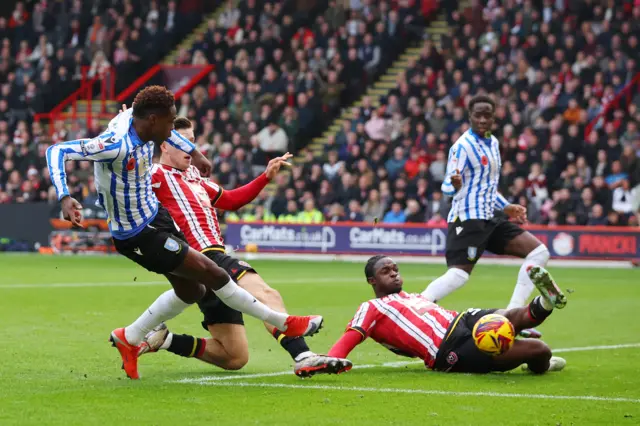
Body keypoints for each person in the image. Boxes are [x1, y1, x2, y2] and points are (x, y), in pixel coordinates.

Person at [45, 86, 323, 380]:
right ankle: (285, 323)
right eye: (170, 121)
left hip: (157, 218)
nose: (172, 128)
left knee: (194, 292)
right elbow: (57, 150)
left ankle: (130, 336)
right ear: (153, 120)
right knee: (215, 275)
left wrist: (195, 153)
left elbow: (228, 197)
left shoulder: (154, 135)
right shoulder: (116, 145)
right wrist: (65, 196)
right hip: (137, 234)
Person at [141, 117, 351, 377]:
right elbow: (128, 186)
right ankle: (303, 355)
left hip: (202, 270)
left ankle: (165, 339)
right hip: (204, 256)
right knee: (267, 294)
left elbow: (230, 200)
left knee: (234, 356)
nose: (192, 149)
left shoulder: (195, 177)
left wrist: (264, 177)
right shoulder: (154, 175)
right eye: (184, 142)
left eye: (193, 142)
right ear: (164, 146)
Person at [423, 94, 551, 338]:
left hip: (490, 218)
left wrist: (506, 207)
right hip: (467, 219)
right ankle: (418, 308)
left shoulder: (492, 143)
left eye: (487, 115)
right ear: (469, 116)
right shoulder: (461, 146)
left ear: (494, 117)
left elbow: (486, 186)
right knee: (458, 276)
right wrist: (455, 184)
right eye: (477, 115)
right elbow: (447, 188)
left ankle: (514, 317)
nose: (482, 119)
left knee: (539, 252)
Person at [328, 255, 568, 374]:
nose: (394, 274)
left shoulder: (413, 296)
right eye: (385, 271)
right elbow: (353, 334)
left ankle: (546, 302)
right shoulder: (372, 307)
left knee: (509, 315)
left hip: (462, 319)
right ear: (372, 280)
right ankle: (540, 364)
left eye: (395, 269)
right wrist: (331, 359)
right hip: (449, 348)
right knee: (539, 349)